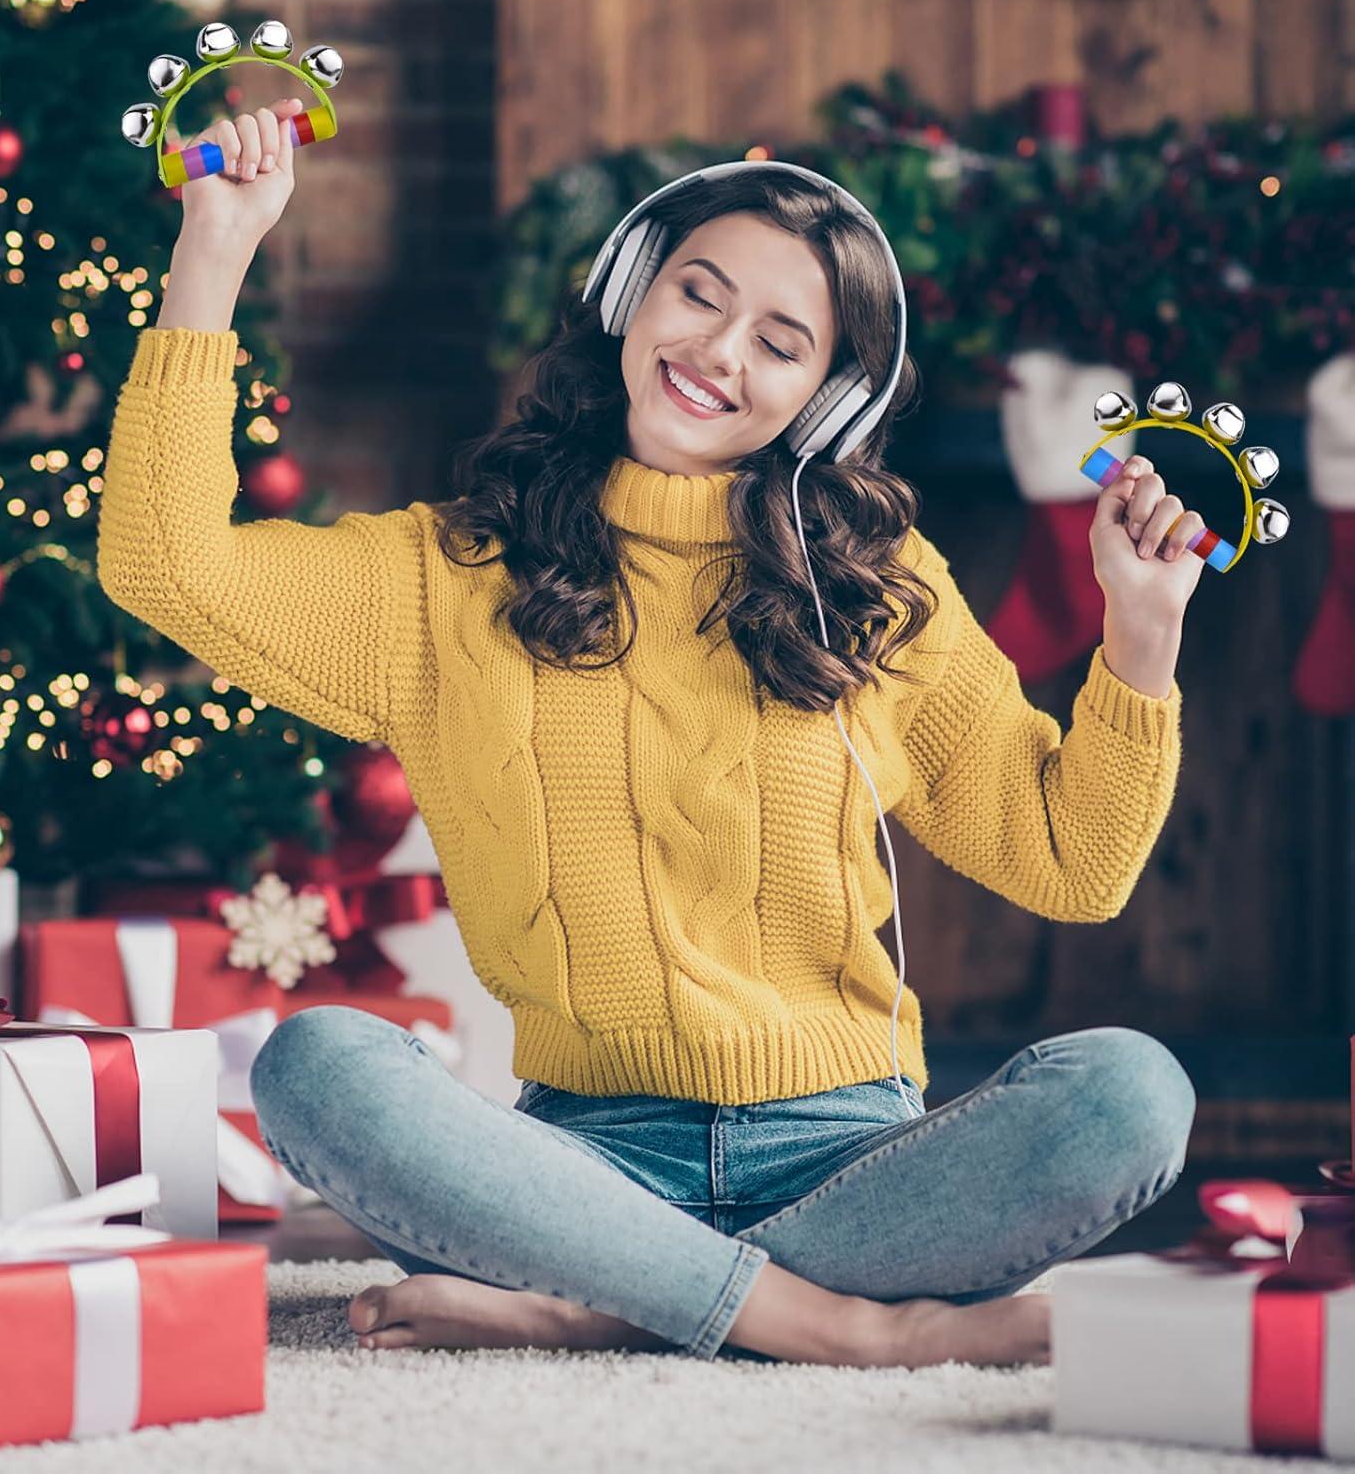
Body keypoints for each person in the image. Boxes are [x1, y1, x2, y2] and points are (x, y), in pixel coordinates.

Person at [98, 99, 1202, 1371]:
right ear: (631, 294)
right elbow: (164, 565)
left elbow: (1074, 865)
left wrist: (1142, 634)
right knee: (317, 1064)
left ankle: (609, 1308)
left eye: (780, 343)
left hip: (852, 1160)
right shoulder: (445, 576)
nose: (719, 352)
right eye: (698, 294)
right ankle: (838, 1325)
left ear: (826, 399)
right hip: (574, 1167)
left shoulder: (877, 587)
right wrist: (217, 246)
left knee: (1131, 1092)